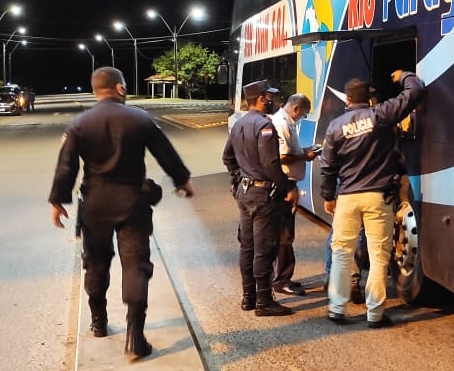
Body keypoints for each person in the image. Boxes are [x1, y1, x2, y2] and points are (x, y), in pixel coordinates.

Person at [48, 67, 195, 361]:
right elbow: (165, 153)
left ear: (94, 91)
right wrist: (182, 180)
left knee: (96, 265)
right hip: (132, 203)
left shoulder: (79, 123)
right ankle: (135, 338)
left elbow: (67, 166)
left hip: (95, 205)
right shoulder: (140, 119)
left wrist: (58, 201)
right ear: (119, 88)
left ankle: (99, 323)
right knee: (136, 267)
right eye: (125, 86)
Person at [320, 70, 425, 328]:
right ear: (368, 99)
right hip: (378, 197)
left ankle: (336, 309)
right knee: (378, 256)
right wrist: (403, 75)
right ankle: (375, 315)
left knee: (342, 252)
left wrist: (327, 196)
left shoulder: (335, 127)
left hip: (347, 197)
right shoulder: (380, 114)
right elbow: (415, 92)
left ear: (347, 99)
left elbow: (327, 167)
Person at [222, 79, 300, 317]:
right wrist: (287, 186)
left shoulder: (239, 124)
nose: (273, 101)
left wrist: (239, 178)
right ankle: (264, 302)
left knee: (247, 247)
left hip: (245, 193)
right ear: (259, 98)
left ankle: (249, 297)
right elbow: (271, 163)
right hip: (262, 195)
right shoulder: (264, 125)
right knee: (263, 249)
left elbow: (228, 157)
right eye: (269, 97)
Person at [269, 93, 318, 296]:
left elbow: (289, 151)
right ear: (296, 108)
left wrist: (305, 150)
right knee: (284, 235)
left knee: (285, 233)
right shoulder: (281, 124)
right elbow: (281, 157)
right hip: (283, 185)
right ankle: (281, 280)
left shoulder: (286, 122)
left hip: (286, 184)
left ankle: (283, 277)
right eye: (304, 113)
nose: (303, 117)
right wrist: (305, 156)